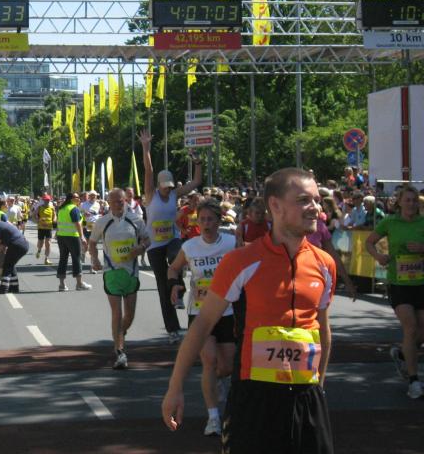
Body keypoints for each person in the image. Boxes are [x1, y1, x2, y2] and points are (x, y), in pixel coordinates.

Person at [161, 168, 336, 454]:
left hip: (307, 394)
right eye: (304, 200)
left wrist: (319, 385)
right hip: (255, 396)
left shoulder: (324, 263)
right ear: (275, 206)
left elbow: (323, 330)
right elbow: (202, 325)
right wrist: (175, 386)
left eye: (316, 200)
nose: (315, 207)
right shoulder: (241, 262)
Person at [166, 199, 236, 436]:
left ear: (218, 221)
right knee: (209, 361)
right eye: (202, 219)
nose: (206, 224)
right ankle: (213, 417)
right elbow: (173, 268)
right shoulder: (190, 247)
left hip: (227, 311)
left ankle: (218, 382)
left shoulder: (231, 243)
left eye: (210, 219)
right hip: (199, 312)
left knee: (226, 367)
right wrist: (175, 284)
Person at [139, 129, 202, 344]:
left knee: (177, 259)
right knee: (161, 287)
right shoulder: (151, 194)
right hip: (155, 246)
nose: (168, 190)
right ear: (159, 186)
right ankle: (173, 329)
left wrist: (197, 162)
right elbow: (148, 171)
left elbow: (196, 182)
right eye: (165, 187)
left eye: (170, 187)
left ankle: (179, 290)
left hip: (172, 240)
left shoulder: (175, 194)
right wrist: (146, 147)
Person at [365, 184, 424, 399]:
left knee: (421, 330)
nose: (411, 204)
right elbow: (369, 243)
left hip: (421, 282)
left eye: (414, 200)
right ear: (399, 202)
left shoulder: (423, 222)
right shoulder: (390, 222)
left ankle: (401, 353)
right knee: (410, 326)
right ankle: (414, 381)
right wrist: (379, 257)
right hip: (398, 282)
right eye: (407, 200)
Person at [88, 188, 150, 370]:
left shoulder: (136, 220)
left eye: (120, 201)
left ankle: (120, 334)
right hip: (112, 272)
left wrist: (141, 248)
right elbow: (92, 242)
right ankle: (119, 351)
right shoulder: (102, 222)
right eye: (114, 201)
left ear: (125, 201)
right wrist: (94, 259)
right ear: (108, 203)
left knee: (129, 315)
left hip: (131, 272)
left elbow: (147, 239)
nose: (117, 204)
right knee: (117, 313)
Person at [56, 192, 92, 292]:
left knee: (63, 259)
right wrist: (82, 237)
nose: (79, 199)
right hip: (72, 236)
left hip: (61, 236)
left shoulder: (62, 208)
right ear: (71, 199)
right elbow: (77, 224)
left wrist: (82, 215)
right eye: (77, 197)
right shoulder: (73, 208)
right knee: (76, 259)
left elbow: (61, 222)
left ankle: (62, 285)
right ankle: (79, 284)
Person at [0, 215, 29, 294]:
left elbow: (0, 246)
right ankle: (14, 287)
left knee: (7, 265)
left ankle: (4, 288)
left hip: (16, 245)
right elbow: (2, 243)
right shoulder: (1, 224)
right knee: (11, 265)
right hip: (23, 244)